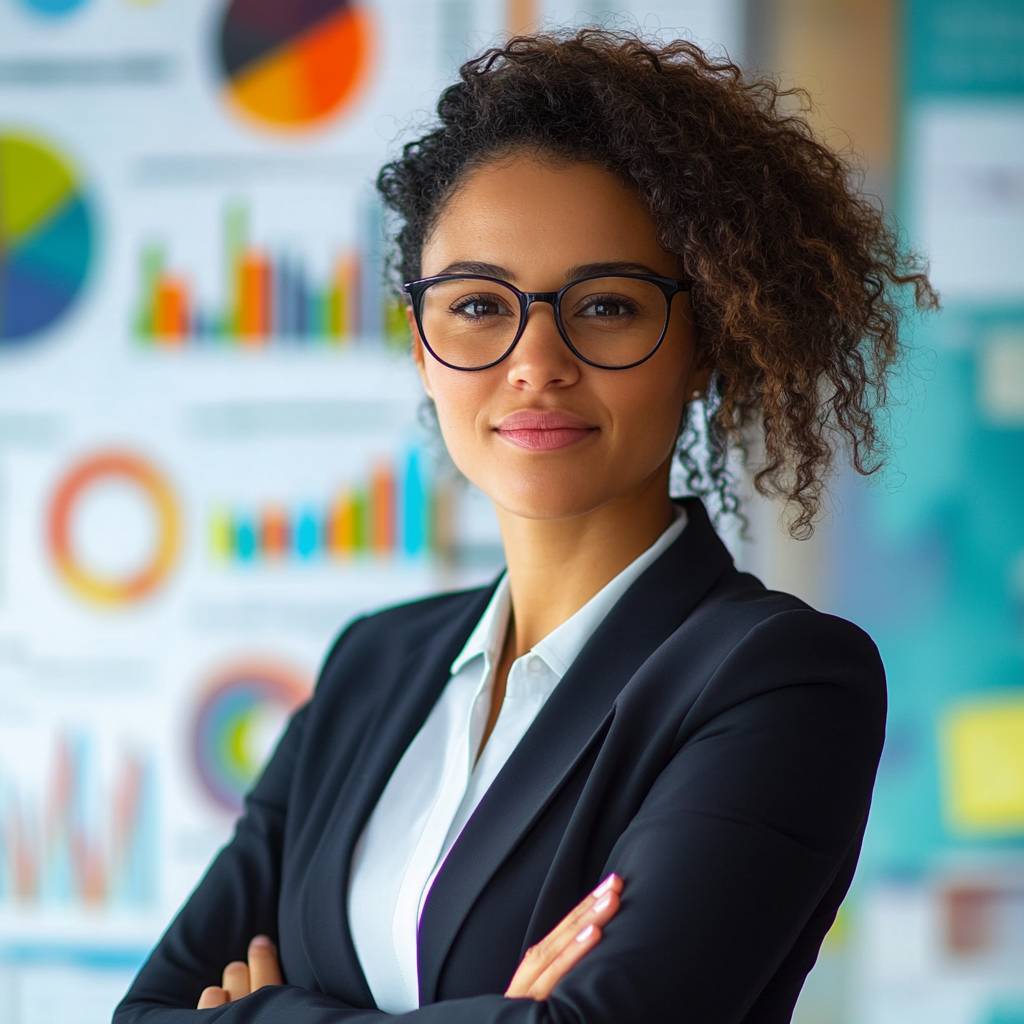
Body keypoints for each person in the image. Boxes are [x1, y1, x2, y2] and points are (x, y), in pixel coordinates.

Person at [112, 25, 939, 1024]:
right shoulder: (373, 665)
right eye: (474, 305)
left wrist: (267, 1010)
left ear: (706, 342)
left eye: (606, 307)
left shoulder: (779, 678)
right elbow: (147, 1012)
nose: (535, 360)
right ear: (421, 346)